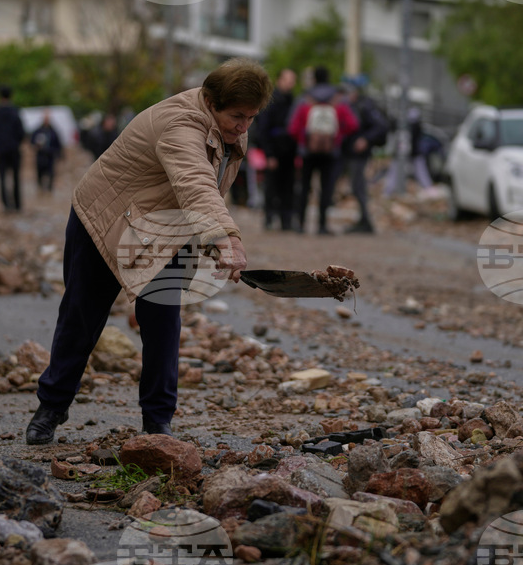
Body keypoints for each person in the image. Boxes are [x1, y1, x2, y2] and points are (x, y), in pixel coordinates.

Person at [25, 58, 273, 444]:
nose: (243, 127)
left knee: (162, 324)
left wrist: (211, 241)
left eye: (251, 118)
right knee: (82, 316)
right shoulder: (179, 125)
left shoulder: (229, 129)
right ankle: (51, 408)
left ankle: (158, 424)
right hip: (106, 218)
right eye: (237, 116)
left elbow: (201, 191)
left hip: (164, 231)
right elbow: (194, 182)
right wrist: (227, 237)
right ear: (209, 101)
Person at [287, 66, 359, 235]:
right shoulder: (339, 99)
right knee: (326, 188)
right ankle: (322, 225)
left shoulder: (305, 98)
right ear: (328, 78)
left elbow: (292, 127)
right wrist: (338, 136)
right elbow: (353, 124)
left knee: (304, 187)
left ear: (314, 78)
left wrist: (304, 140)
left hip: (307, 151)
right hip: (331, 152)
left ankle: (301, 224)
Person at [340, 74, 389, 234]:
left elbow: (381, 126)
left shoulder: (365, 105)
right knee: (356, 186)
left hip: (360, 155)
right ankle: (364, 220)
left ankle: (366, 222)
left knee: (359, 187)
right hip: (352, 153)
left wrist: (365, 140)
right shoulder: (355, 105)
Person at [257, 68, 298, 231]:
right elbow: (263, 129)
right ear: (279, 80)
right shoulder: (271, 101)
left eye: (292, 79)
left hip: (289, 152)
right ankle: (269, 217)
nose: (290, 83)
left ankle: (286, 219)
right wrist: (269, 154)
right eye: (287, 79)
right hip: (274, 150)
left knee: (288, 187)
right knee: (271, 186)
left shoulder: (294, 101)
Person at [0, 85, 27, 211]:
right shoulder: (15, 111)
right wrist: (16, 142)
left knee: (2, 177)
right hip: (14, 149)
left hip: (1, 149)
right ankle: (17, 204)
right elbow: (21, 132)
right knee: (16, 177)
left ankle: (6, 204)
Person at [31, 109, 63, 192]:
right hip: (40, 155)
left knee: (51, 173)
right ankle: (41, 189)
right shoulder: (38, 130)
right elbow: (32, 141)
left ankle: (49, 190)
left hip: (50, 155)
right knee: (40, 173)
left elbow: (58, 143)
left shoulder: (53, 131)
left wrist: (59, 154)